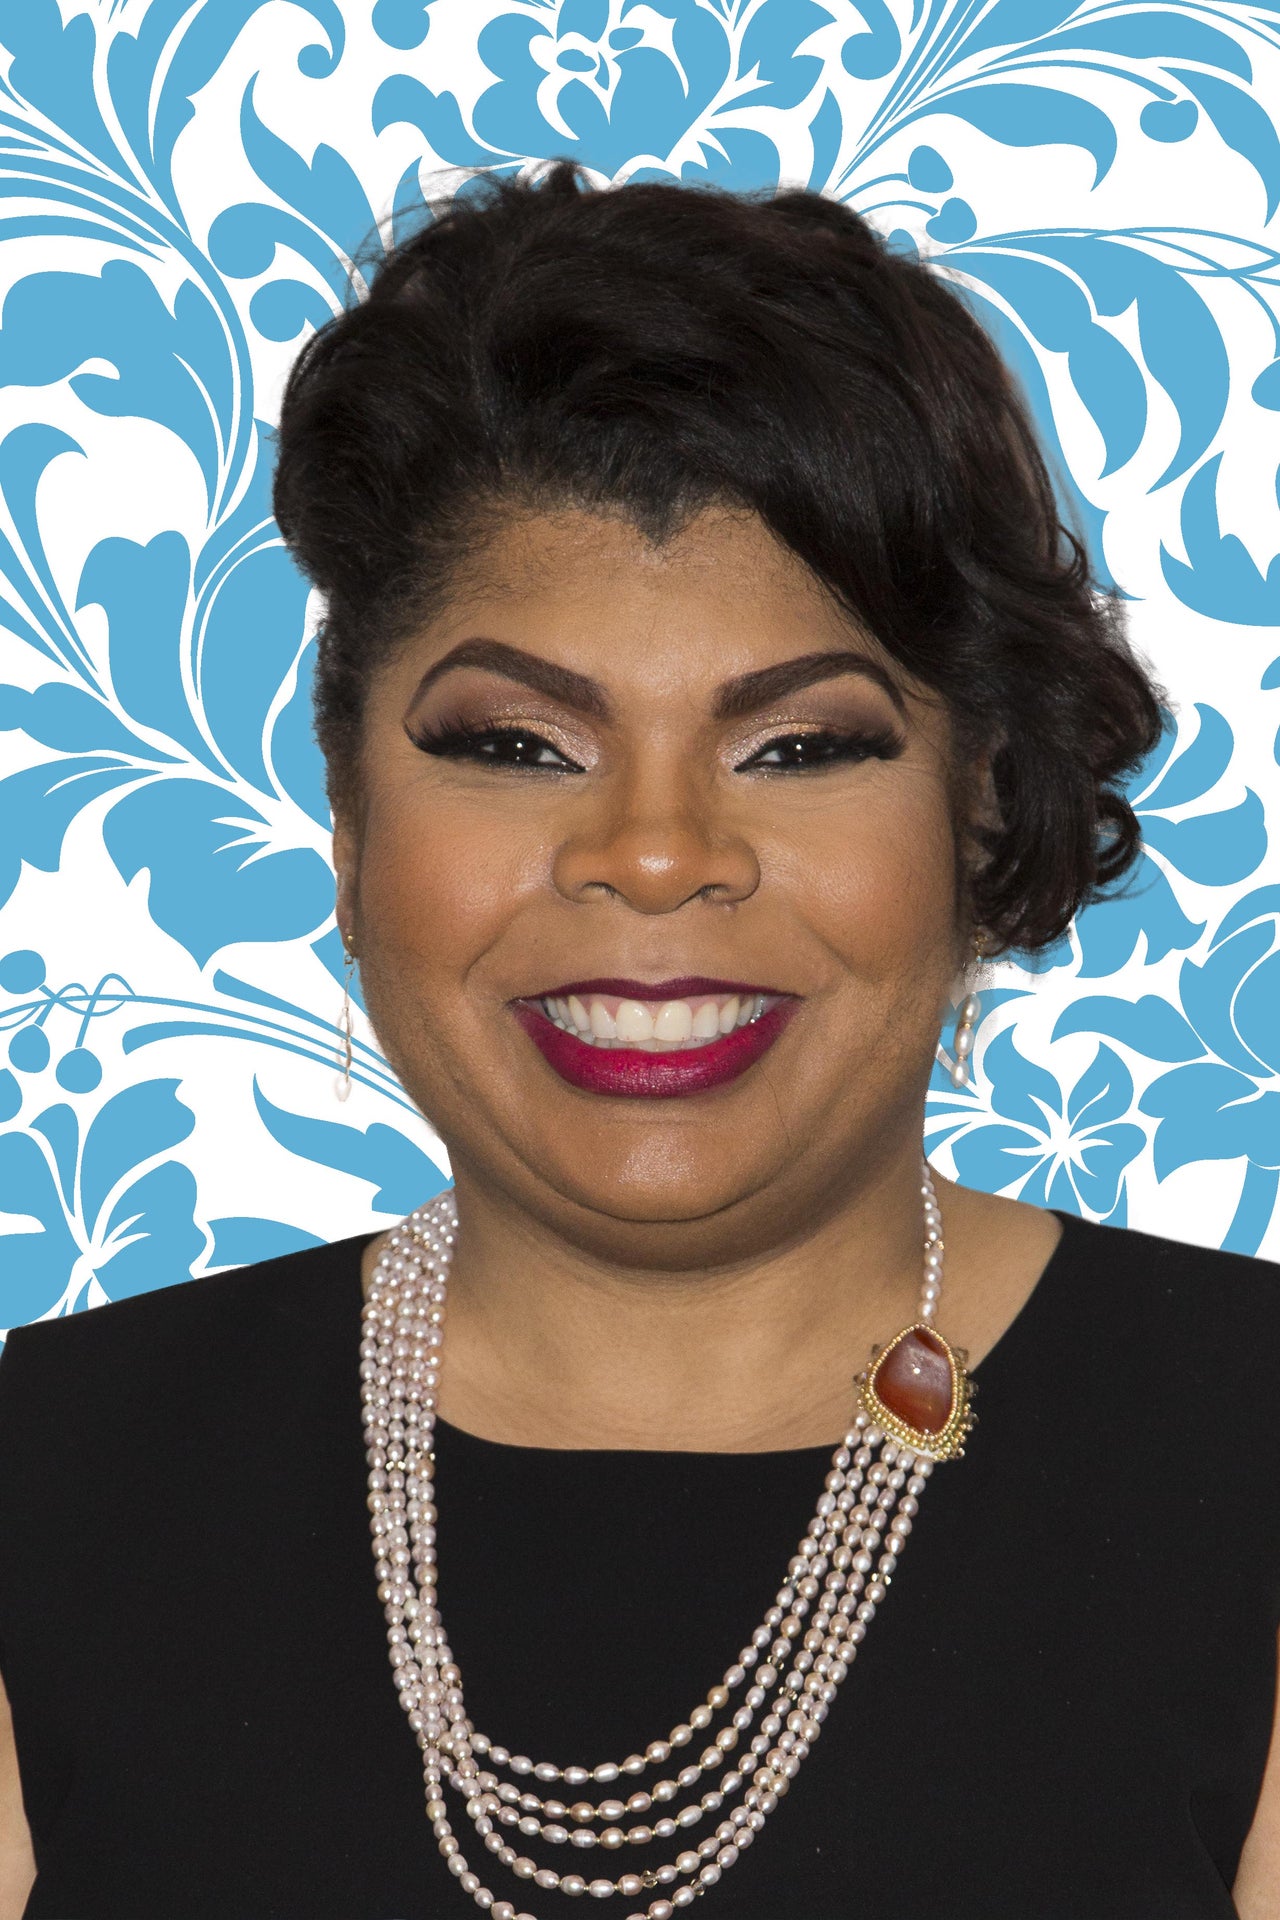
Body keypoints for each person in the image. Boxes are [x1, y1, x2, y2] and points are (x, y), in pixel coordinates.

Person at [1, 159, 1277, 1920]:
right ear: (351, 832)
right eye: (517, 745)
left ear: (979, 814)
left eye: (799, 747)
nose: (657, 855)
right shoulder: (50, 1479)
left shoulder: (1248, 1452)